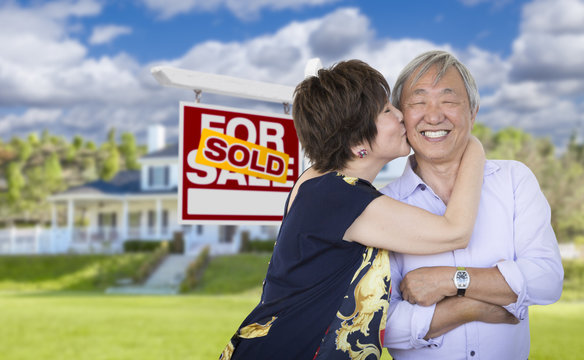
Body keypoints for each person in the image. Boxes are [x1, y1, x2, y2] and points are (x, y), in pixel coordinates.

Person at [219, 59, 485, 360]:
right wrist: (471, 144)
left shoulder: (317, 182)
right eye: (386, 110)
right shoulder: (338, 197)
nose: (400, 115)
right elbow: (455, 232)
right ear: (358, 138)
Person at [380, 50, 564, 360]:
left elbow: (546, 279)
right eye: (418, 102)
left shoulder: (514, 180)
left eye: (449, 101)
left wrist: (452, 280)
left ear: (473, 113)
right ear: (400, 117)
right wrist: (468, 306)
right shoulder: (383, 204)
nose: (434, 115)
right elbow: (379, 325)